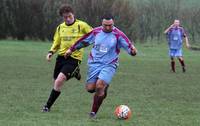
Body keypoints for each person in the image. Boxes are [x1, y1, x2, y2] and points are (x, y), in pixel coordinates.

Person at [64, 14, 137, 118]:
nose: (108, 27)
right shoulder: (96, 32)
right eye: (105, 25)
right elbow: (84, 41)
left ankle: (93, 113)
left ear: (113, 24)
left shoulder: (118, 34)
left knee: (99, 86)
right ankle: (104, 86)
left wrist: (133, 51)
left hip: (110, 64)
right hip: (94, 63)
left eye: (110, 25)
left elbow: (129, 47)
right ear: (102, 24)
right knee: (90, 89)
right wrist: (71, 49)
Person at [42, 4, 92, 112]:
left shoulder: (81, 25)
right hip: (61, 58)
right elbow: (56, 42)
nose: (68, 19)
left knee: (59, 81)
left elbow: (93, 35)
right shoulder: (60, 28)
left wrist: (84, 45)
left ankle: (47, 106)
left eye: (70, 16)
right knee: (55, 82)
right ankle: (75, 73)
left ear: (73, 14)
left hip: (74, 58)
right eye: (65, 17)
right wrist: (51, 52)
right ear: (62, 17)